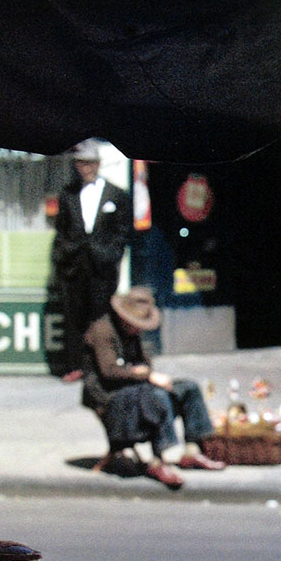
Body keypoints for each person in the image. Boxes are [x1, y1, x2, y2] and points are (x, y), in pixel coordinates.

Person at [81, 286, 226, 489]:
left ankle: (192, 452)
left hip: (136, 388)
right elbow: (109, 371)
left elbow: (145, 364)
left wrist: (148, 374)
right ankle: (159, 460)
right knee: (157, 396)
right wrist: (146, 375)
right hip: (109, 395)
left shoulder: (132, 334)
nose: (138, 329)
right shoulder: (102, 331)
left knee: (188, 388)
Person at [51, 138, 132, 382]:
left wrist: (111, 254)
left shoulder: (116, 194)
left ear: (97, 164)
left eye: (88, 164)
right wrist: (65, 256)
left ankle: (105, 363)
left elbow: (122, 231)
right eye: (80, 164)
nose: (84, 168)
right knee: (74, 314)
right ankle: (75, 365)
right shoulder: (67, 195)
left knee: (102, 315)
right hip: (76, 265)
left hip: (102, 266)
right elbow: (61, 230)